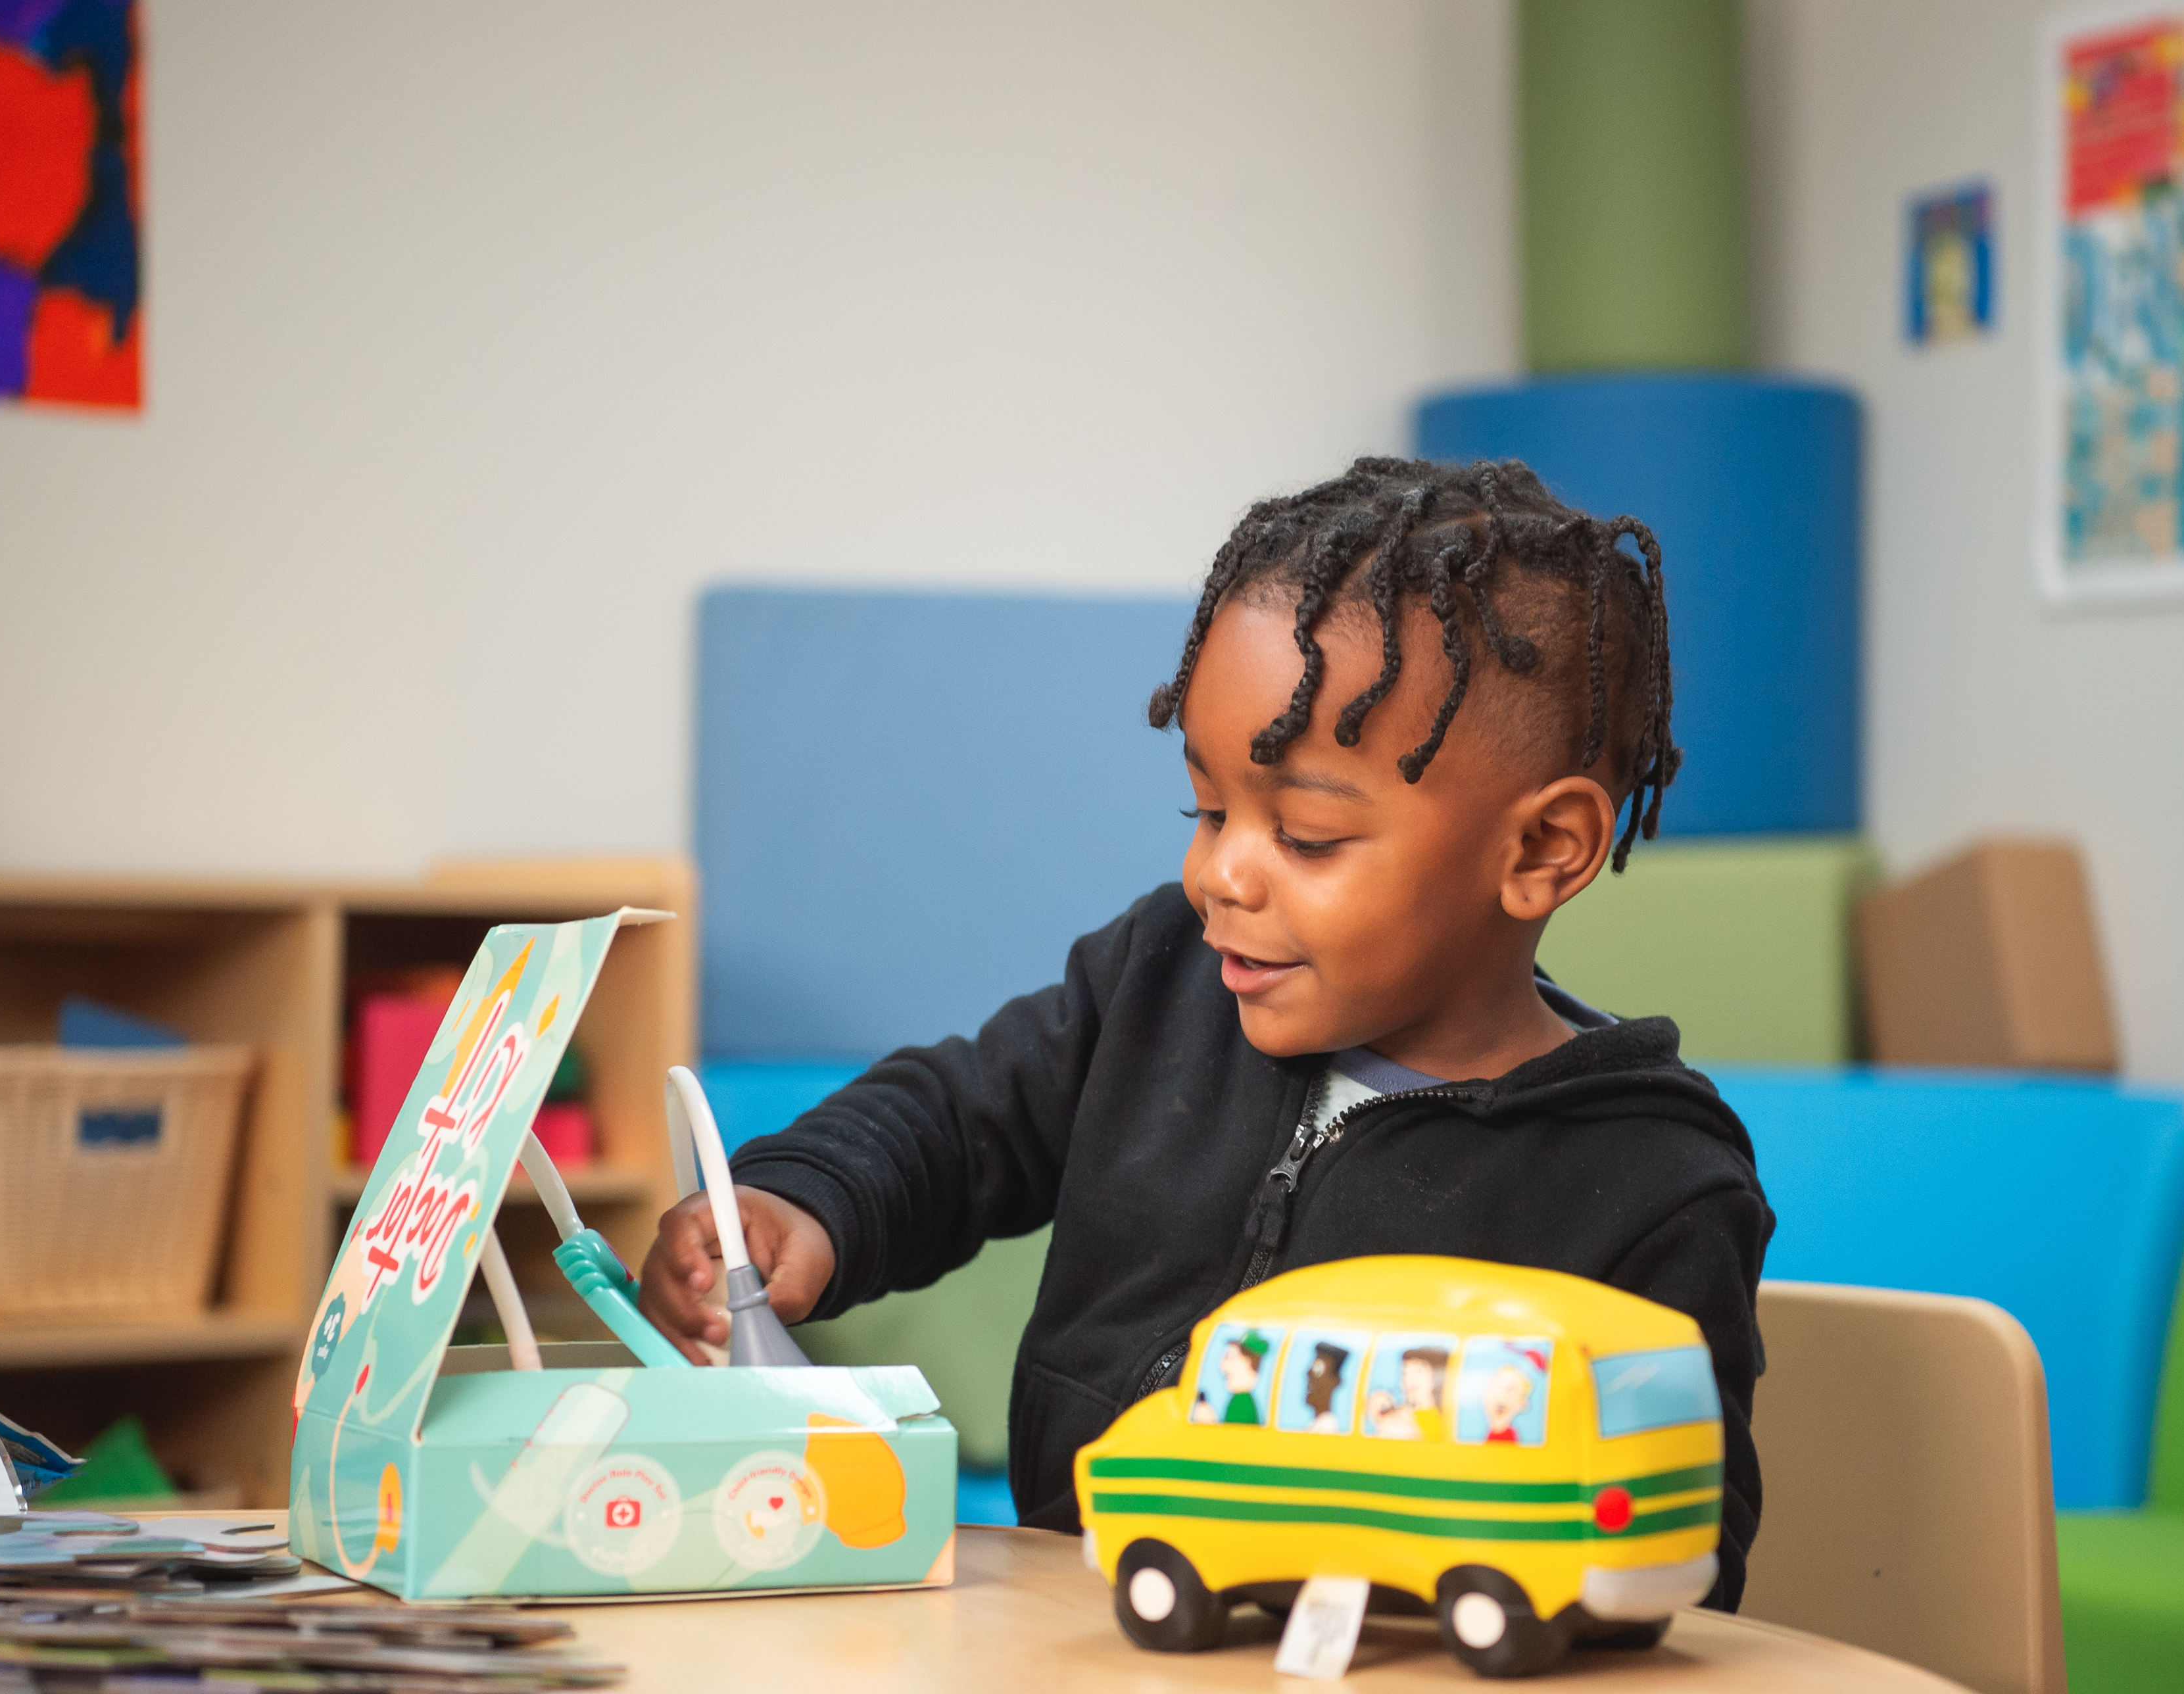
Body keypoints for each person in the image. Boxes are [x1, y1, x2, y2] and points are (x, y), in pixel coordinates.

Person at [636, 457, 1774, 1610]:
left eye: (1308, 836)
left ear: (1538, 852)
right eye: (1209, 809)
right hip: (1089, 1626)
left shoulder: (1648, 1180)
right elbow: (956, 1117)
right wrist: (800, 1209)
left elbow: (1681, 1556)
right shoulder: (1162, 983)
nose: (1218, 872)